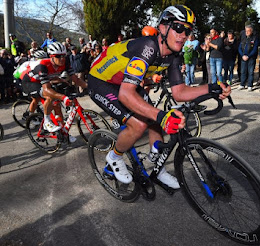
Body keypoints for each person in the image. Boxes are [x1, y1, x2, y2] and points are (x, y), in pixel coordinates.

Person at [87, 5, 231, 188]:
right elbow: (125, 94)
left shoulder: (173, 55)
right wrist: (161, 116)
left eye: (188, 31)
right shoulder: (148, 47)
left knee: (154, 119)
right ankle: (114, 157)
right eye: (179, 28)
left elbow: (179, 92)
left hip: (124, 83)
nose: (184, 35)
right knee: (139, 125)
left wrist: (211, 88)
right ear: (163, 28)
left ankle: (159, 169)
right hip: (101, 81)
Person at [21, 42, 87, 135]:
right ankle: (46, 122)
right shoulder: (42, 66)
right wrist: (64, 98)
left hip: (45, 80)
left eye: (64, 55)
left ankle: (63, 132)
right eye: (58, 56)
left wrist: (90, 87)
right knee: (50, 96)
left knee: (57, 104)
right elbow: (47, 89)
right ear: (51, 56)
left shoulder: (65, 63)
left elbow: (75, 79)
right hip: (30, 82)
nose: (62, 59)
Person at [238, 25, 259, 91]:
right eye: (246, 31)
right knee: (243, 71)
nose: (246, 32)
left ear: (251, 31)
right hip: (243, 57)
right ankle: (242, 84)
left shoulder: (255, 38)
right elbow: (239, 48)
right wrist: (242, 55)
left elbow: (255, 49)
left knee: (250, 72)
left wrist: (248, 56)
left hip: (251, 58)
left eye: (248, 31)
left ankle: (250, 85)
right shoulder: (243, 38)